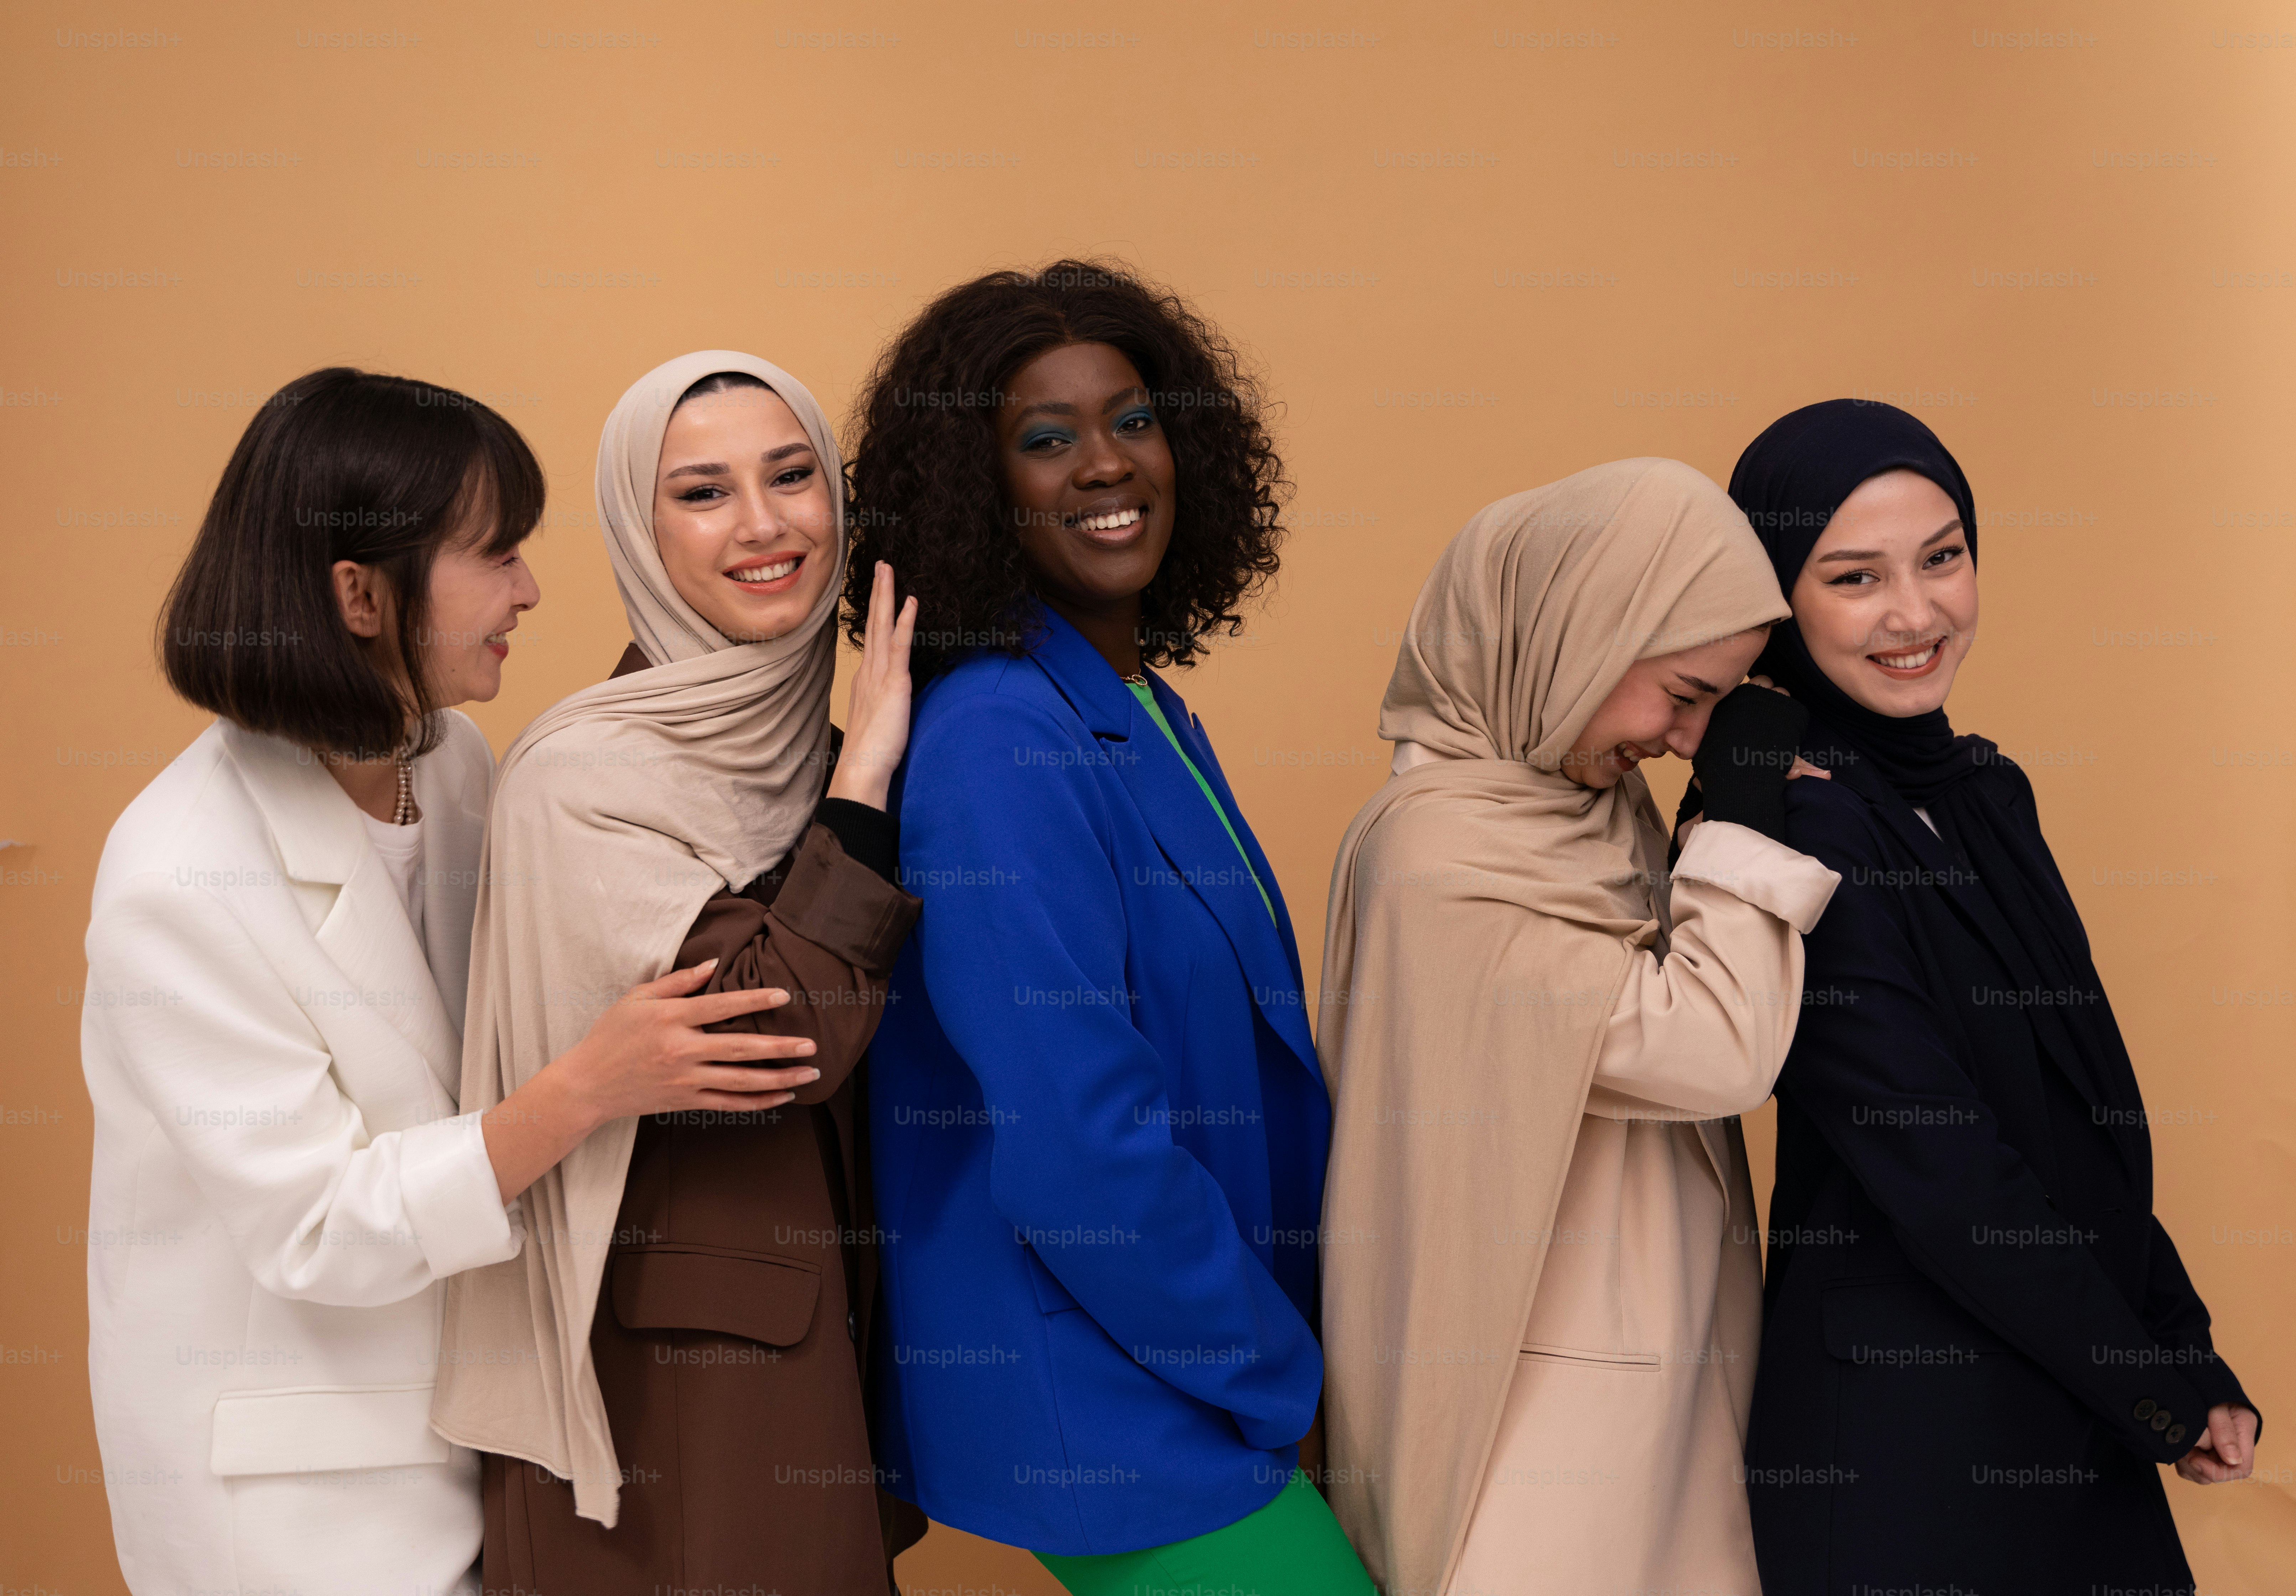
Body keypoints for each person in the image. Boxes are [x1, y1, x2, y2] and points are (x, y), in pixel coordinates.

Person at [82, 368, 811, 1596]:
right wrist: (585, 1090)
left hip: (478, 1429)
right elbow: (321, 1229)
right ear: (358, 595)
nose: (528, 588)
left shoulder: (456, 760)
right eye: (496, 554)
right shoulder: (178, 875)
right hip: (300, 1503)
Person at [846, 262, 1374, 1595]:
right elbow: (1080, 1141)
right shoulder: (994, 739)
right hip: (1108, 1386)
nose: (1103, 465)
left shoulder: (1141, 706)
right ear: (976, 488)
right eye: (1044, 439)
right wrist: (1274, 1375)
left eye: (1130, 421)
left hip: (1192, 1353)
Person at [1729, 399, 2260, 1595]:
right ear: (1778, 597)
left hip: (2065, 1399)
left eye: (1943, 557)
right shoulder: (1790, 814)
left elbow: (2072, 1118)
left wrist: (2181, 1348)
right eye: (1853, 577)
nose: (1914, 615)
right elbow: (1947, 1170)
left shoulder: (1983, 792)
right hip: (1906, 1457)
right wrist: (2147, 1385)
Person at [428, 351, 926, 1594]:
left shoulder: (813, 748)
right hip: (681, 1384)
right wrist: (864, 783)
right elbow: (781, 1035)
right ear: (639, 538)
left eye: (793, 476)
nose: (764, 527)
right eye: (703, 494)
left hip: (831, 1331)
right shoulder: (585, 779)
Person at [1316, 458, 1841, 1596]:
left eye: (1719, 708)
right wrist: (1743, 813)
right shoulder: (1440, 856)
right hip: (1539, 1425)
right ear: (1572, 637)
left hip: (1658, 1378)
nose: (1688, 738)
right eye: (1683, 694)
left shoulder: (1581, 805)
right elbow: (1713, 1047)